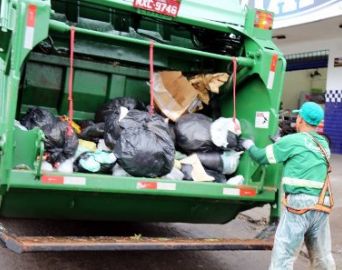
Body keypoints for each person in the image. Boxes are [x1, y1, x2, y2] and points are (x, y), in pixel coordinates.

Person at [242, 102, 336, 270]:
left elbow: (262, 157)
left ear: (300, 119)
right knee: (322, 258)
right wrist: (281, 142)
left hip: (299, 206)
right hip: (322, 205)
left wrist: (248, 145)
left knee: (283, 256)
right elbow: (305, 153)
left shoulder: (292, 141)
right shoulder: (324, 145)